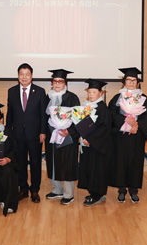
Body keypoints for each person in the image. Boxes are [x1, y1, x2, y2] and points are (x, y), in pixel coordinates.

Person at [108, 67, 147, 203]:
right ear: (124, 81)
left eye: (134, 80)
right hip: (120, 136)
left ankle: (133, 190)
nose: (131, 82)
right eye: (129, 80)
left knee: (135, 162)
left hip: (136, 136)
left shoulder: (143, 98)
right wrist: (125, 120)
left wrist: (137, 125)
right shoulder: (117, 98)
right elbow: (111, 114)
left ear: (137, 82)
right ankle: (121, 190)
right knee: (120, 162)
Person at [6, 63, 48, 203]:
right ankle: (23, 189)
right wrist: (8, 132)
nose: (24, 77)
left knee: (35, 162)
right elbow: (10, 114)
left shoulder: (40, 91)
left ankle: (35, 190)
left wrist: (43, 132)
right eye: (21, 74)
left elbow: (43, 114)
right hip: (17, 134)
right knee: (20, 163)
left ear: (32, 76)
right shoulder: (11, 91)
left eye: (27, 74)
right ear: (18, 76)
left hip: (35, 134)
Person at [44, 69, 81, 205]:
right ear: (52, 83)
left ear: (65, 83)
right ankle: (57, 189)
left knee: (67, 163)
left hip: (67, 136)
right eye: (55, 81)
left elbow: (78, 118)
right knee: (52, 161)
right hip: (52, 134)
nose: (57, 83)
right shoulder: (48, 97)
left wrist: (69, 131)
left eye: (60, 81)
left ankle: (68, 193)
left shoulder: (72, 97)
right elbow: (44, 116)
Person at [77, 79, 113, 206]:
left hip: (98, 146)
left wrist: (90, 140)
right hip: (87, 144)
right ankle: (93, 193)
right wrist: (83, 136)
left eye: (94, 92)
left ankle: (97, 195)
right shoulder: (86, 106)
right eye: (89, 92)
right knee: (89, 168)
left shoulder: (103, 109)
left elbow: (105, 128)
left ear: (100, 93)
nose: (91, 94)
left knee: (97, 170)